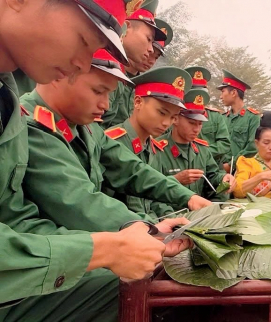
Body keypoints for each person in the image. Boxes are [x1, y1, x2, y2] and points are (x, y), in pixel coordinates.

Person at [0, 0, 189, 322]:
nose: (82, 63)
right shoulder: (32, 120)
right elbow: (78, 199)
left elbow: (19, 218)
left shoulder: (8, 97)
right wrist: (103, 248)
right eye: (84, 40)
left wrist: (142, 237)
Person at [21, 49, 207, 232]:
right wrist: (147, 229)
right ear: (59, 75)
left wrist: (188, 197)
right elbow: (78, 200)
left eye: (109, 94)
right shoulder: (32, 124)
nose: (106, 104)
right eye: (98, 91)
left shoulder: (87, 127)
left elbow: (130, 169)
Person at [105, 67, 212, 217]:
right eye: (162, 113)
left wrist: (175, 221)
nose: (166, 122)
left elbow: (154, 201)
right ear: (138, 102)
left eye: (173, 117)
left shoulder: (154, 148)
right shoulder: (112, 142)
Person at [155, 88, 236, 202]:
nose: (197, 129)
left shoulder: (202, 149)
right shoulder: (157, 150)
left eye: (200, 124)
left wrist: (223, 178)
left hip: (198, 214)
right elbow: (150, 190)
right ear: (176, 119)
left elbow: (212, 176)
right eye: (192, 123)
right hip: (169, 215)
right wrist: (176, 179)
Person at [100, 0, 166, 128]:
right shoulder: (104, 65)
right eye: (148, 39)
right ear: (127, 26)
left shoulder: (120, 74)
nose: (150, 50)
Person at [186, 66, 232, 168]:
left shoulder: (215, 117)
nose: (198, 95)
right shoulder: (176, 116)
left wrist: (201, 152)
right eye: (193, 91)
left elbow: (224, 144)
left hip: (211, 168)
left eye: (202, 92)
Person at [218, 69, 260, 173]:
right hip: (219, 172)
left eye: (223, 91)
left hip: (242, 172)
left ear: (233, 93)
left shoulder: (252, 117)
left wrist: (230, 165)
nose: (220, 96)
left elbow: (252, 148)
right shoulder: (223, 118)